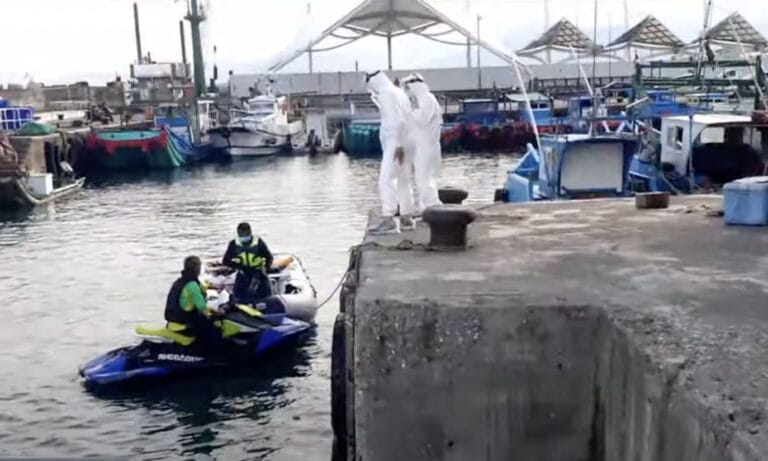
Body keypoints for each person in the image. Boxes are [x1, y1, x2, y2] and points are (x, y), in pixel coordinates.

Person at [365, 70, 418, 234]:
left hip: (396, 144)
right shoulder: (397, 92)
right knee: (403, 179)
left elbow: (397, 121)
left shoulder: (386, 94)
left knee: (386, 179)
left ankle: (388, 219)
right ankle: (407, 218)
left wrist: (398, 146)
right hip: (406, 142)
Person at [402, 73, 443, 212]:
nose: (407, 92)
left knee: (424, 179)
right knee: (423, 179)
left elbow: (421, 120)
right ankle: (427, 208)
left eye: (407, 88)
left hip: (427, 146)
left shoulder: (426, 99)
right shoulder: (424, 99)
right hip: (424, 146)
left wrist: (408, 112)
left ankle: (433, 208)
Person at [164, 255, 224, 349]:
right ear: (198, 269)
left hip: (174, 318)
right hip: (184, 321)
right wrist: (217, 315)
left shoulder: (179, 282)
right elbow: (202, 308)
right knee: (214, 327)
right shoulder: (192, 286)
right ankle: (213, 351)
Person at [223, 222, 274, 303]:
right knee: (238, 299)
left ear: (250, 233)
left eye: (246, 234)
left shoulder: (258, 243)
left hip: (258, 274)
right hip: (242, 274)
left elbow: (269, 257)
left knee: (267, 297)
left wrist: (266, 268)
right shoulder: (234, 244)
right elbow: (225, 261)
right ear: (238, 234)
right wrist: (238, 266)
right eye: (241, 235)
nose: (244, 237)